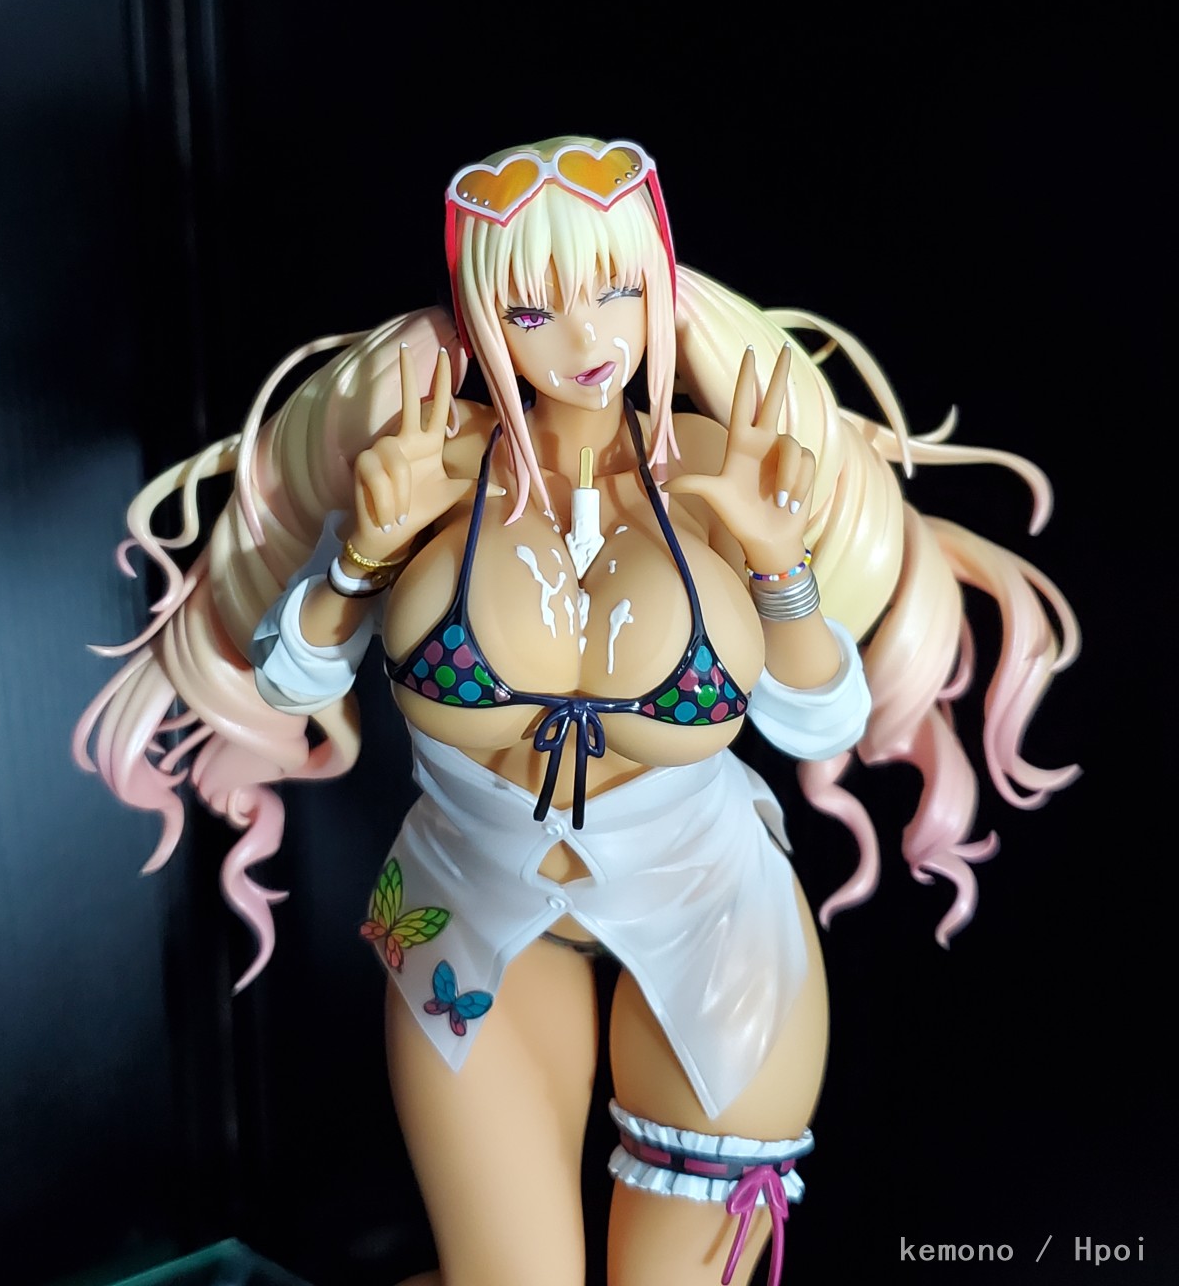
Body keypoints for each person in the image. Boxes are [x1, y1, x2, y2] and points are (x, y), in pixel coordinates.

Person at [75, 137, 1079, 1286]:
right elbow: (289, 681)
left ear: (660, 284)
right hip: (466, 911)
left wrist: (778, 567)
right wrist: (359, 557)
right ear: (480, 319)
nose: (587, 338)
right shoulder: (425, 469)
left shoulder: (727, 471)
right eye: (533, 309)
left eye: (615, 290)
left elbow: (822, 724)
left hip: (716, 914)